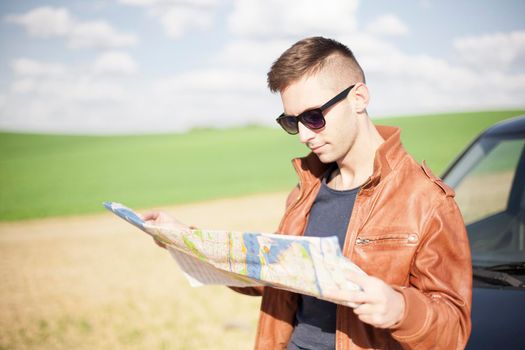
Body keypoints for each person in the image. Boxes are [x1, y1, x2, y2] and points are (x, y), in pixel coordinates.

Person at [143, 36, 472, 350]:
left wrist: (401, 309)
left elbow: (454, 329)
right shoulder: (307, 188)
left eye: (314, 117)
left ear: (358, 98)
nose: (303, 135)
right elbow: (270, 273)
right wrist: (182, 238)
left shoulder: (427, 200)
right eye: (291, 122)